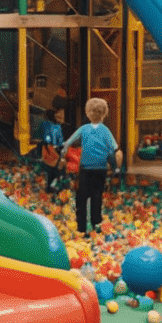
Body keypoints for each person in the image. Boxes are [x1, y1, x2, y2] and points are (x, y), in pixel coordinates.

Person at [63, 97, 120, 236]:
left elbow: (68, 143)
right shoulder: (106, 131)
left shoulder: (84, 129)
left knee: (81, 197)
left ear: (87, 113)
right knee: (97, 196)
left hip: (86, 169)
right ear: (104, 114)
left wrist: (63, 155)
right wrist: (115, 166)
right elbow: (114, 149)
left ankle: (81, 227)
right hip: (100, 169)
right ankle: (96, 223)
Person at [34, 96, 66, 193]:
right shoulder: (50, 126)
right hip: (49, 152)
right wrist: (58, 158)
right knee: (54, 172)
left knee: (54, 172)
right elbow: (49, 144)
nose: (63, 116)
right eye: (60, 113)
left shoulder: (56, 126)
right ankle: (52, 189)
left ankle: (53, 188)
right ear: (55, 114)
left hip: (51, 151)